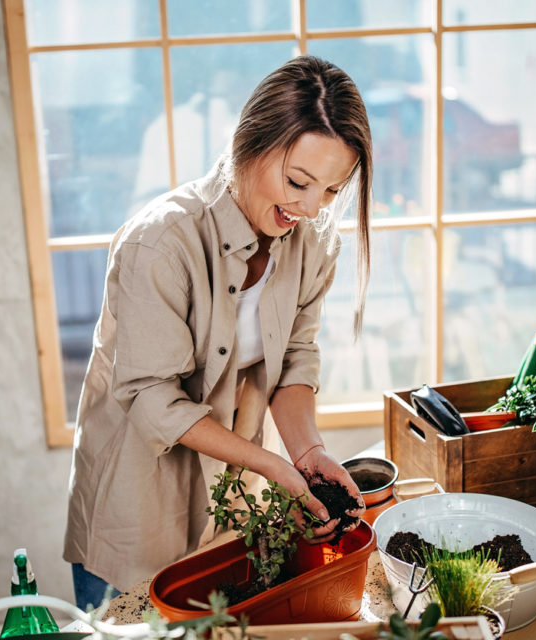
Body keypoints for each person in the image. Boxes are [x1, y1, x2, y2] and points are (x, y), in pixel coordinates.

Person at [63, 55, 374, 611]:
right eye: (298, 181)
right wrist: (272, 465)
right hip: (139, 499)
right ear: (247, 144)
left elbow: (296, 359)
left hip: (236, 502)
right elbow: (150, 394)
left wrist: (307, 452)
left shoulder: (314, 242)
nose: (309, 208)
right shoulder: (161, 243)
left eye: (331, 191)